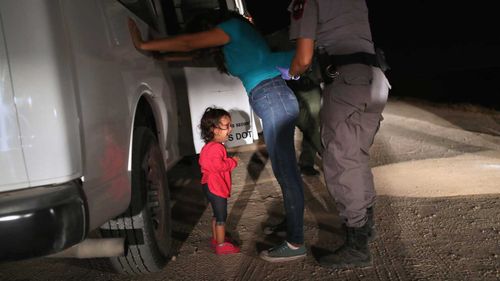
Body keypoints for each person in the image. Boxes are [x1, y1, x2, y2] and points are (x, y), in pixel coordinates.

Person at [129, 10, 307, 262]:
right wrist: (156, 53)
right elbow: (191, 51)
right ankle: (293, 227)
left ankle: (295, 241)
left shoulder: (233, 26)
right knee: (284, 171)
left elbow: (190, 43)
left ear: (208, 25)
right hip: (269, 98)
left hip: (273, 96)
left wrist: (144, 44)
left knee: (286, 172)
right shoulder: (230, 44)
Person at [286, 0, 391, 268]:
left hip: (346, 78)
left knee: (341, 161)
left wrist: (291, 74)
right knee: (357, 156)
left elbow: (303, 57)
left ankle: (357, 244)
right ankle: (365, 227)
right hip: (376, 78)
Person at [244, 0, 323, 177]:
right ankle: (317, 157)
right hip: (278, 53)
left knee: (311, 120)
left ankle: (307, 161)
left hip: (292, 56)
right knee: (303, 121)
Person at [198, 107, 240, 255]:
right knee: (221, 217)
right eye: (226, 126)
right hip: (216, 187)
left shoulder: (208, 147)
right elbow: (217, 166)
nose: (230, 129)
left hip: (208, 185)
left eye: (230, 125)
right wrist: (232, 162)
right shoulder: (216, 148)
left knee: (216, 215)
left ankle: (217, 239)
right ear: (214, 129)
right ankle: (221, 245)